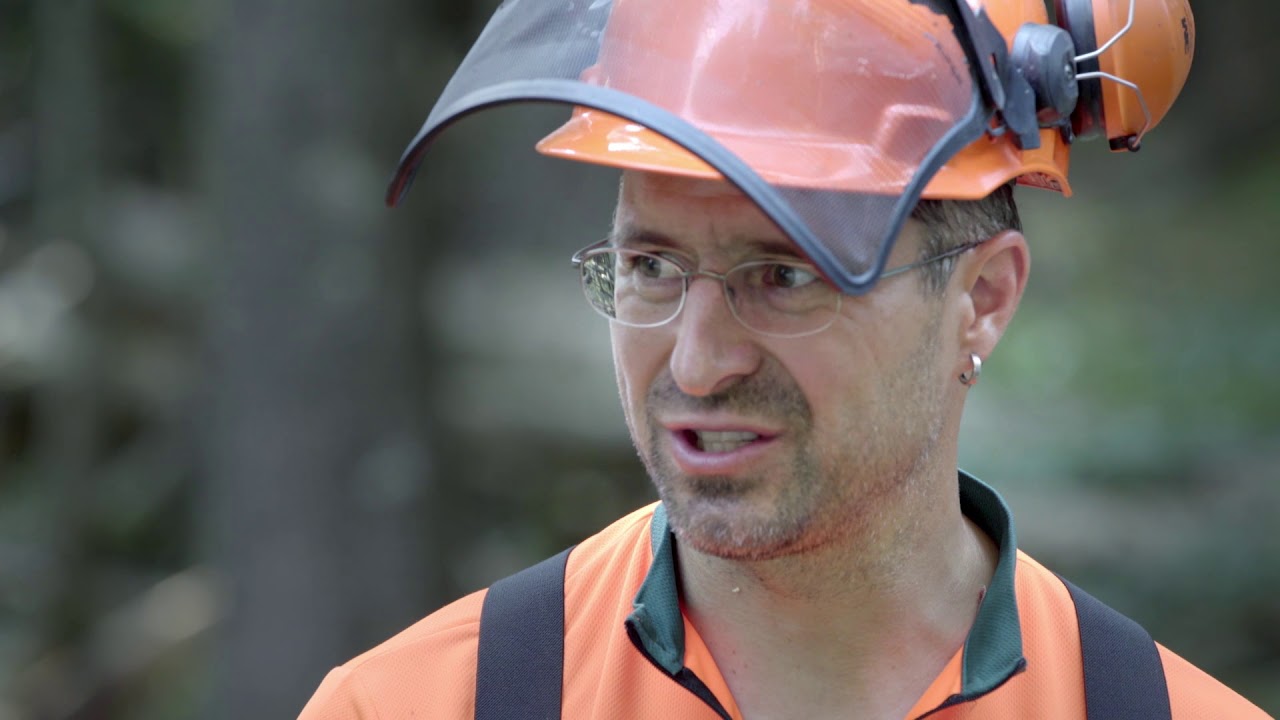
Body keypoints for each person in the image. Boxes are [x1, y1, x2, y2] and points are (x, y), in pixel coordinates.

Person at [300, 0, 1271, 718]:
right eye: (648, 265)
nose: (697, 360)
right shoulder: (415, 703)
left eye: (784, 275)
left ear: (980, 299)